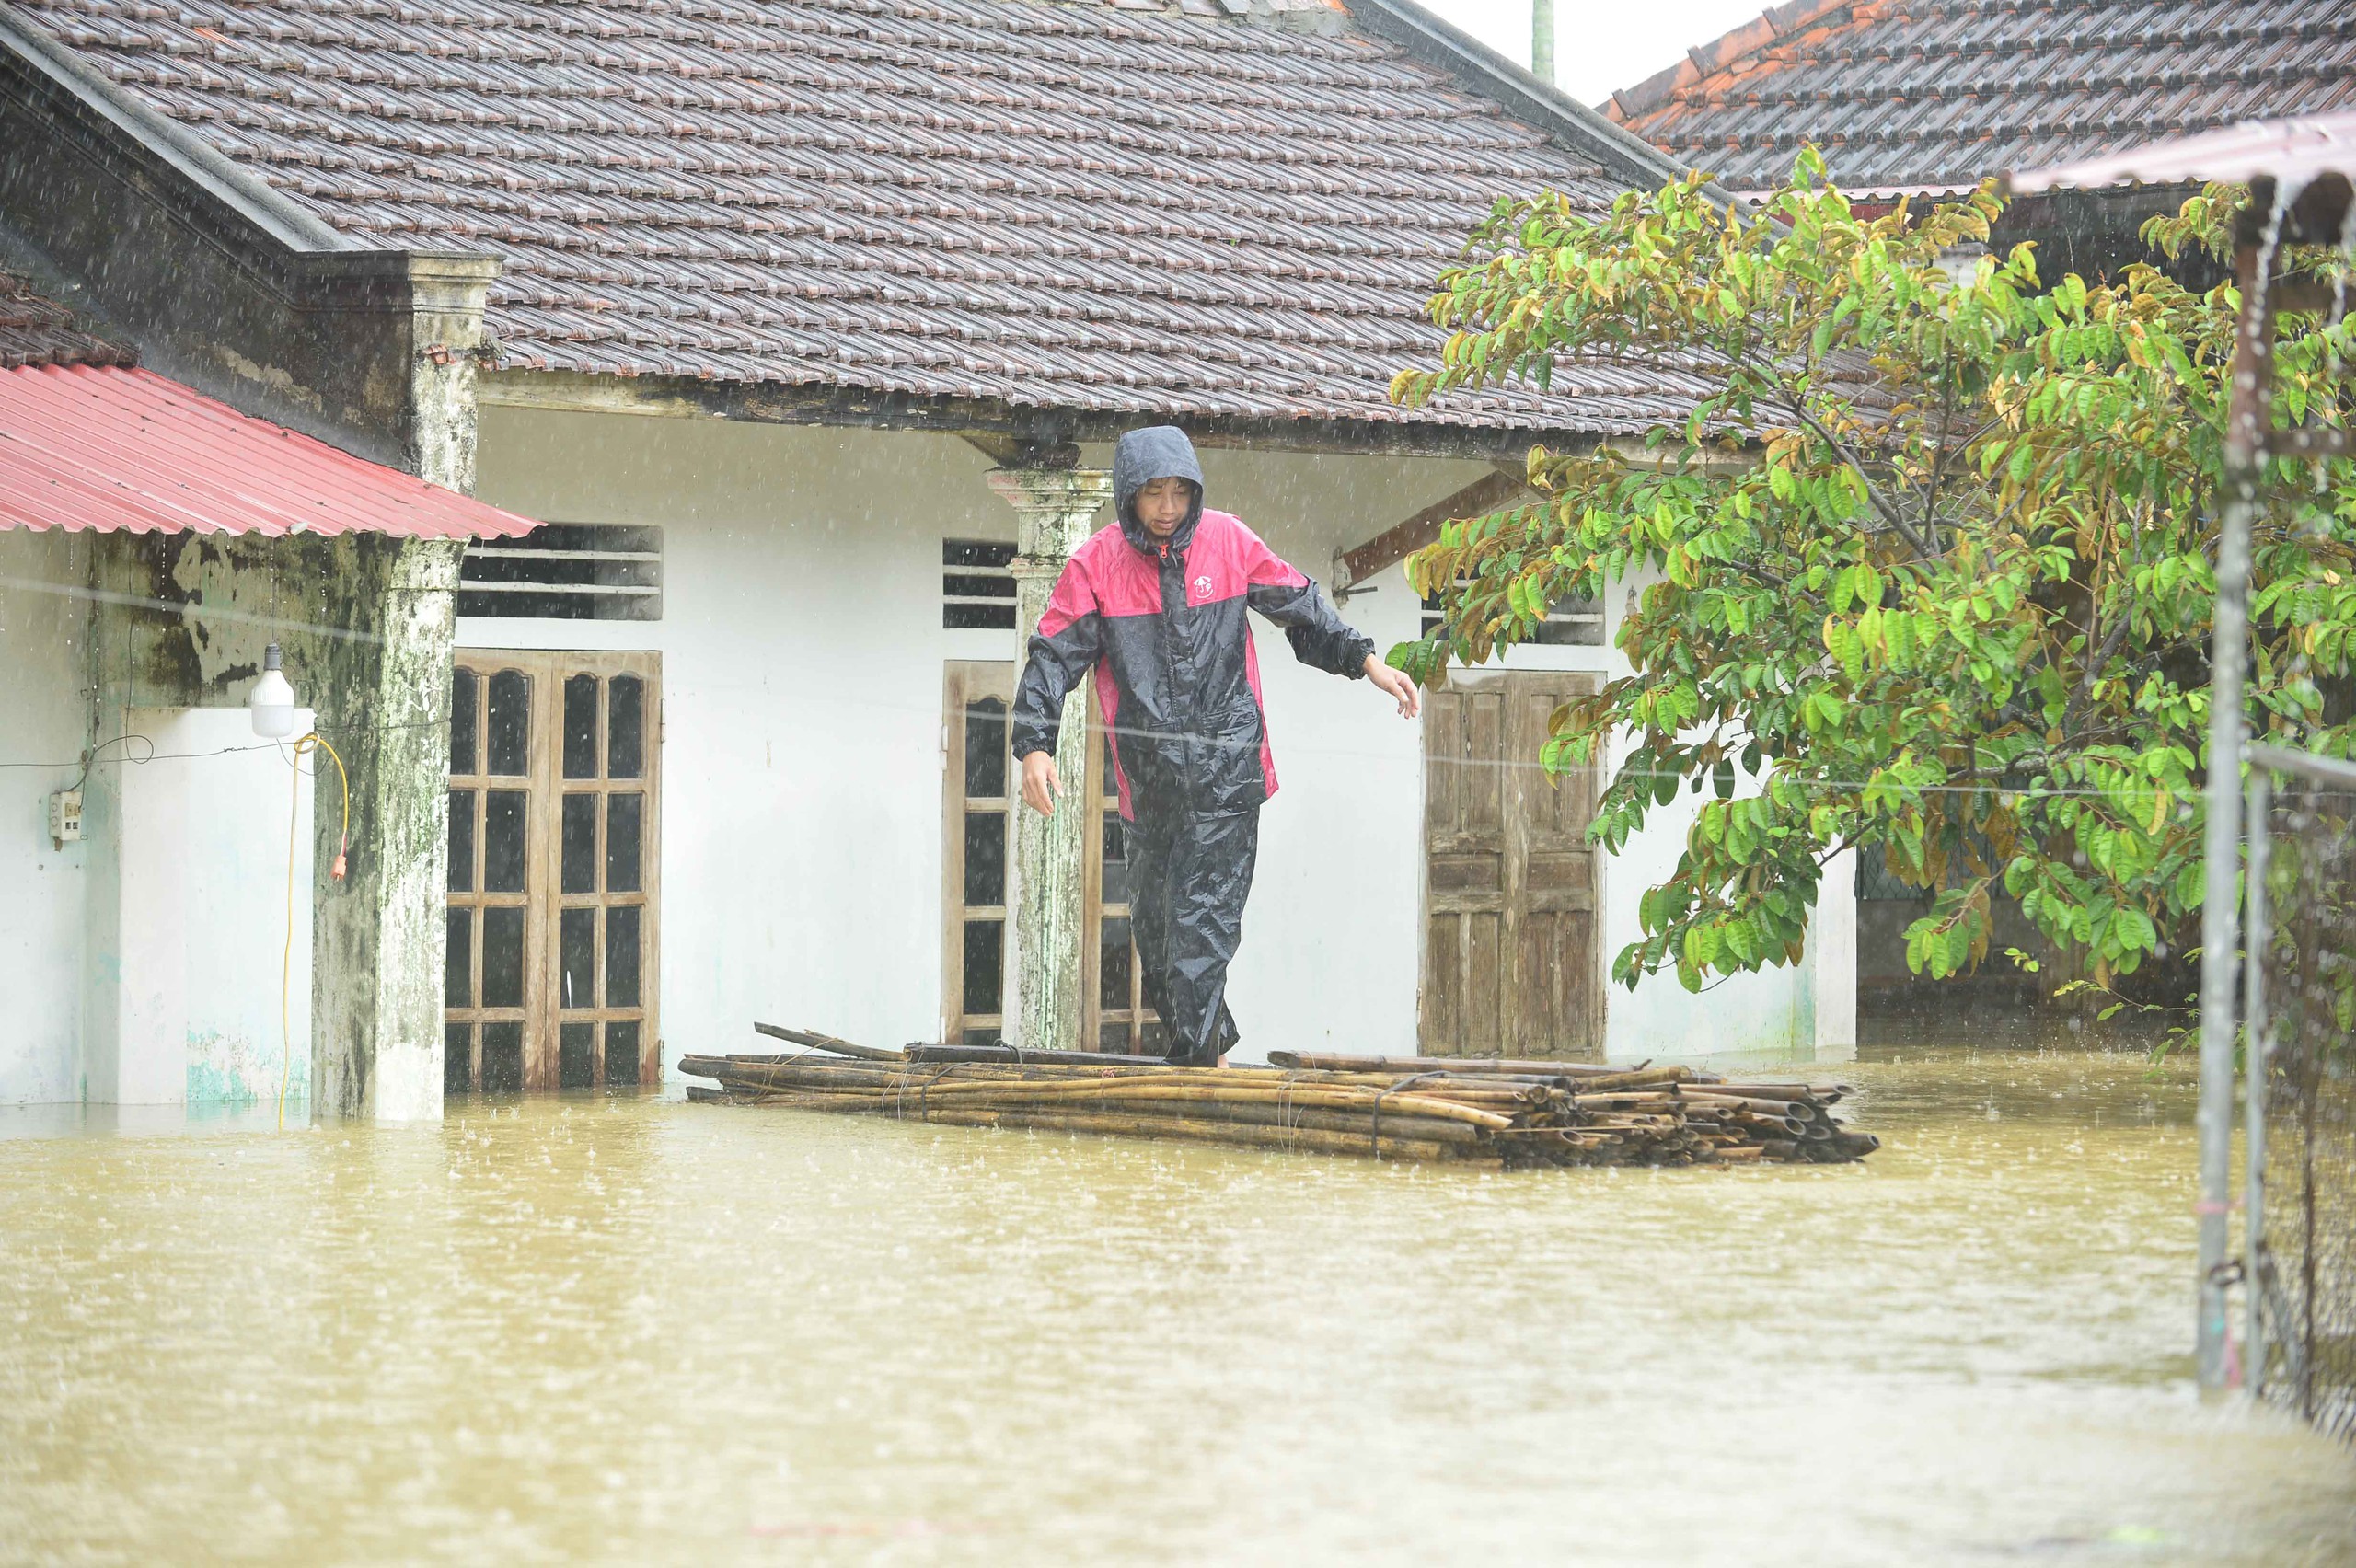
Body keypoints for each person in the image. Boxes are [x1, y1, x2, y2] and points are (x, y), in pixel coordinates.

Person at [1010, 426, 1420, 1067]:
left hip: (1228, 774)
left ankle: (1197, 1074)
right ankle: (1211, 1058)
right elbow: (1052, 655)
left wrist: (1366, 659)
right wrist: (1035, 745)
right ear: (1128, 497)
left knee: (1199, 933)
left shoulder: (1228, 542)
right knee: (1157, 936)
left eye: (1179, 492)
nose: (1168, 507)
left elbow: (1304, 606)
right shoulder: (1096, 565)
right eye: (1153, 494)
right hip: (1149, 786)